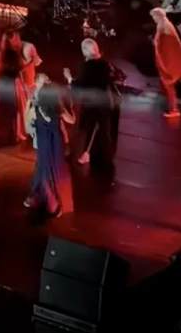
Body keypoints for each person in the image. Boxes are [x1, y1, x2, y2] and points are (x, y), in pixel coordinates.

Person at [25, 74, 75, 217]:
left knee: (44, 171)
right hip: (55, 144)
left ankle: (49, 202)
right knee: (52, 172)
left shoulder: (35, 107)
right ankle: (50, 201)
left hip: (43, 143)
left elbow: (28, 125)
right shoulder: (58, 108)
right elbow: (72, 120)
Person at [63, 38, 116, 168]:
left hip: (93, 103)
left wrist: (69, 79)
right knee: (102, 129)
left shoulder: (86, 67)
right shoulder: (105, 64)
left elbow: (81, 85)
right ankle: (104, 157)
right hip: (104, 101)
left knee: (90, 128)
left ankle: (86, 154)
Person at [150, 7, 181, 117]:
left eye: (154, 16)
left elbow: (158, 42)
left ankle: (174, 109)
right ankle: (172, 107)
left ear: (158, 16)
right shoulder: (165, 23)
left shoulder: (163, 24)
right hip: (168, 61)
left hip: (170, 62)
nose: (153, 19)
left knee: (169, 85)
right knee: (167, 86)